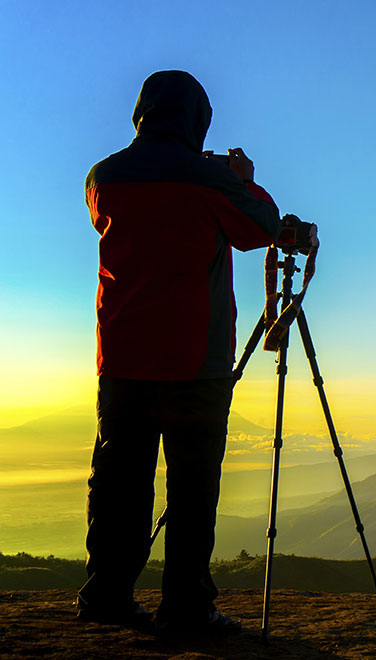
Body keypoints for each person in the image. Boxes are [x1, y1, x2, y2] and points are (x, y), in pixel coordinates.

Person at [77, 70, 294, 634]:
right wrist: (246, 180)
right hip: (194, 360)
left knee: (118, 481)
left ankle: (106, 597)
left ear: (141, 112)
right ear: (198, 121)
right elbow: (261, 228)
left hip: (121, 355)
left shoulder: (103, 177)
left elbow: (115, 223)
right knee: (193, 487)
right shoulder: (208, 181)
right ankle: (187, 609)